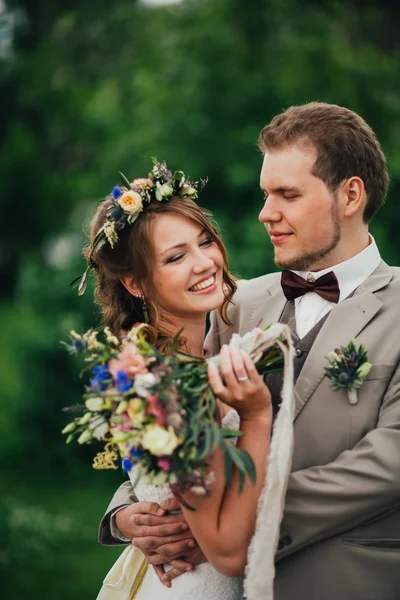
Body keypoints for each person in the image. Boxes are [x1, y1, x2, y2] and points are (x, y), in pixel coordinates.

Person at [101, 103, 400, 600]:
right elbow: (175, 423)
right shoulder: (232, 302)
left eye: (287, 194)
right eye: (266, 194)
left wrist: (227, 520)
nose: (266, 213)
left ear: (350, 195)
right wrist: (132, 515)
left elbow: (389, 463)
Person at [84, 166, 274, 600]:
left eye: (205, 241)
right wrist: (256, 417)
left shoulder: (209, 345)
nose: (205, 262)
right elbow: (224, 541)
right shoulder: (154, 381)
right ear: (134, 283)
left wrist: (128, 514)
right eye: (175, 257)